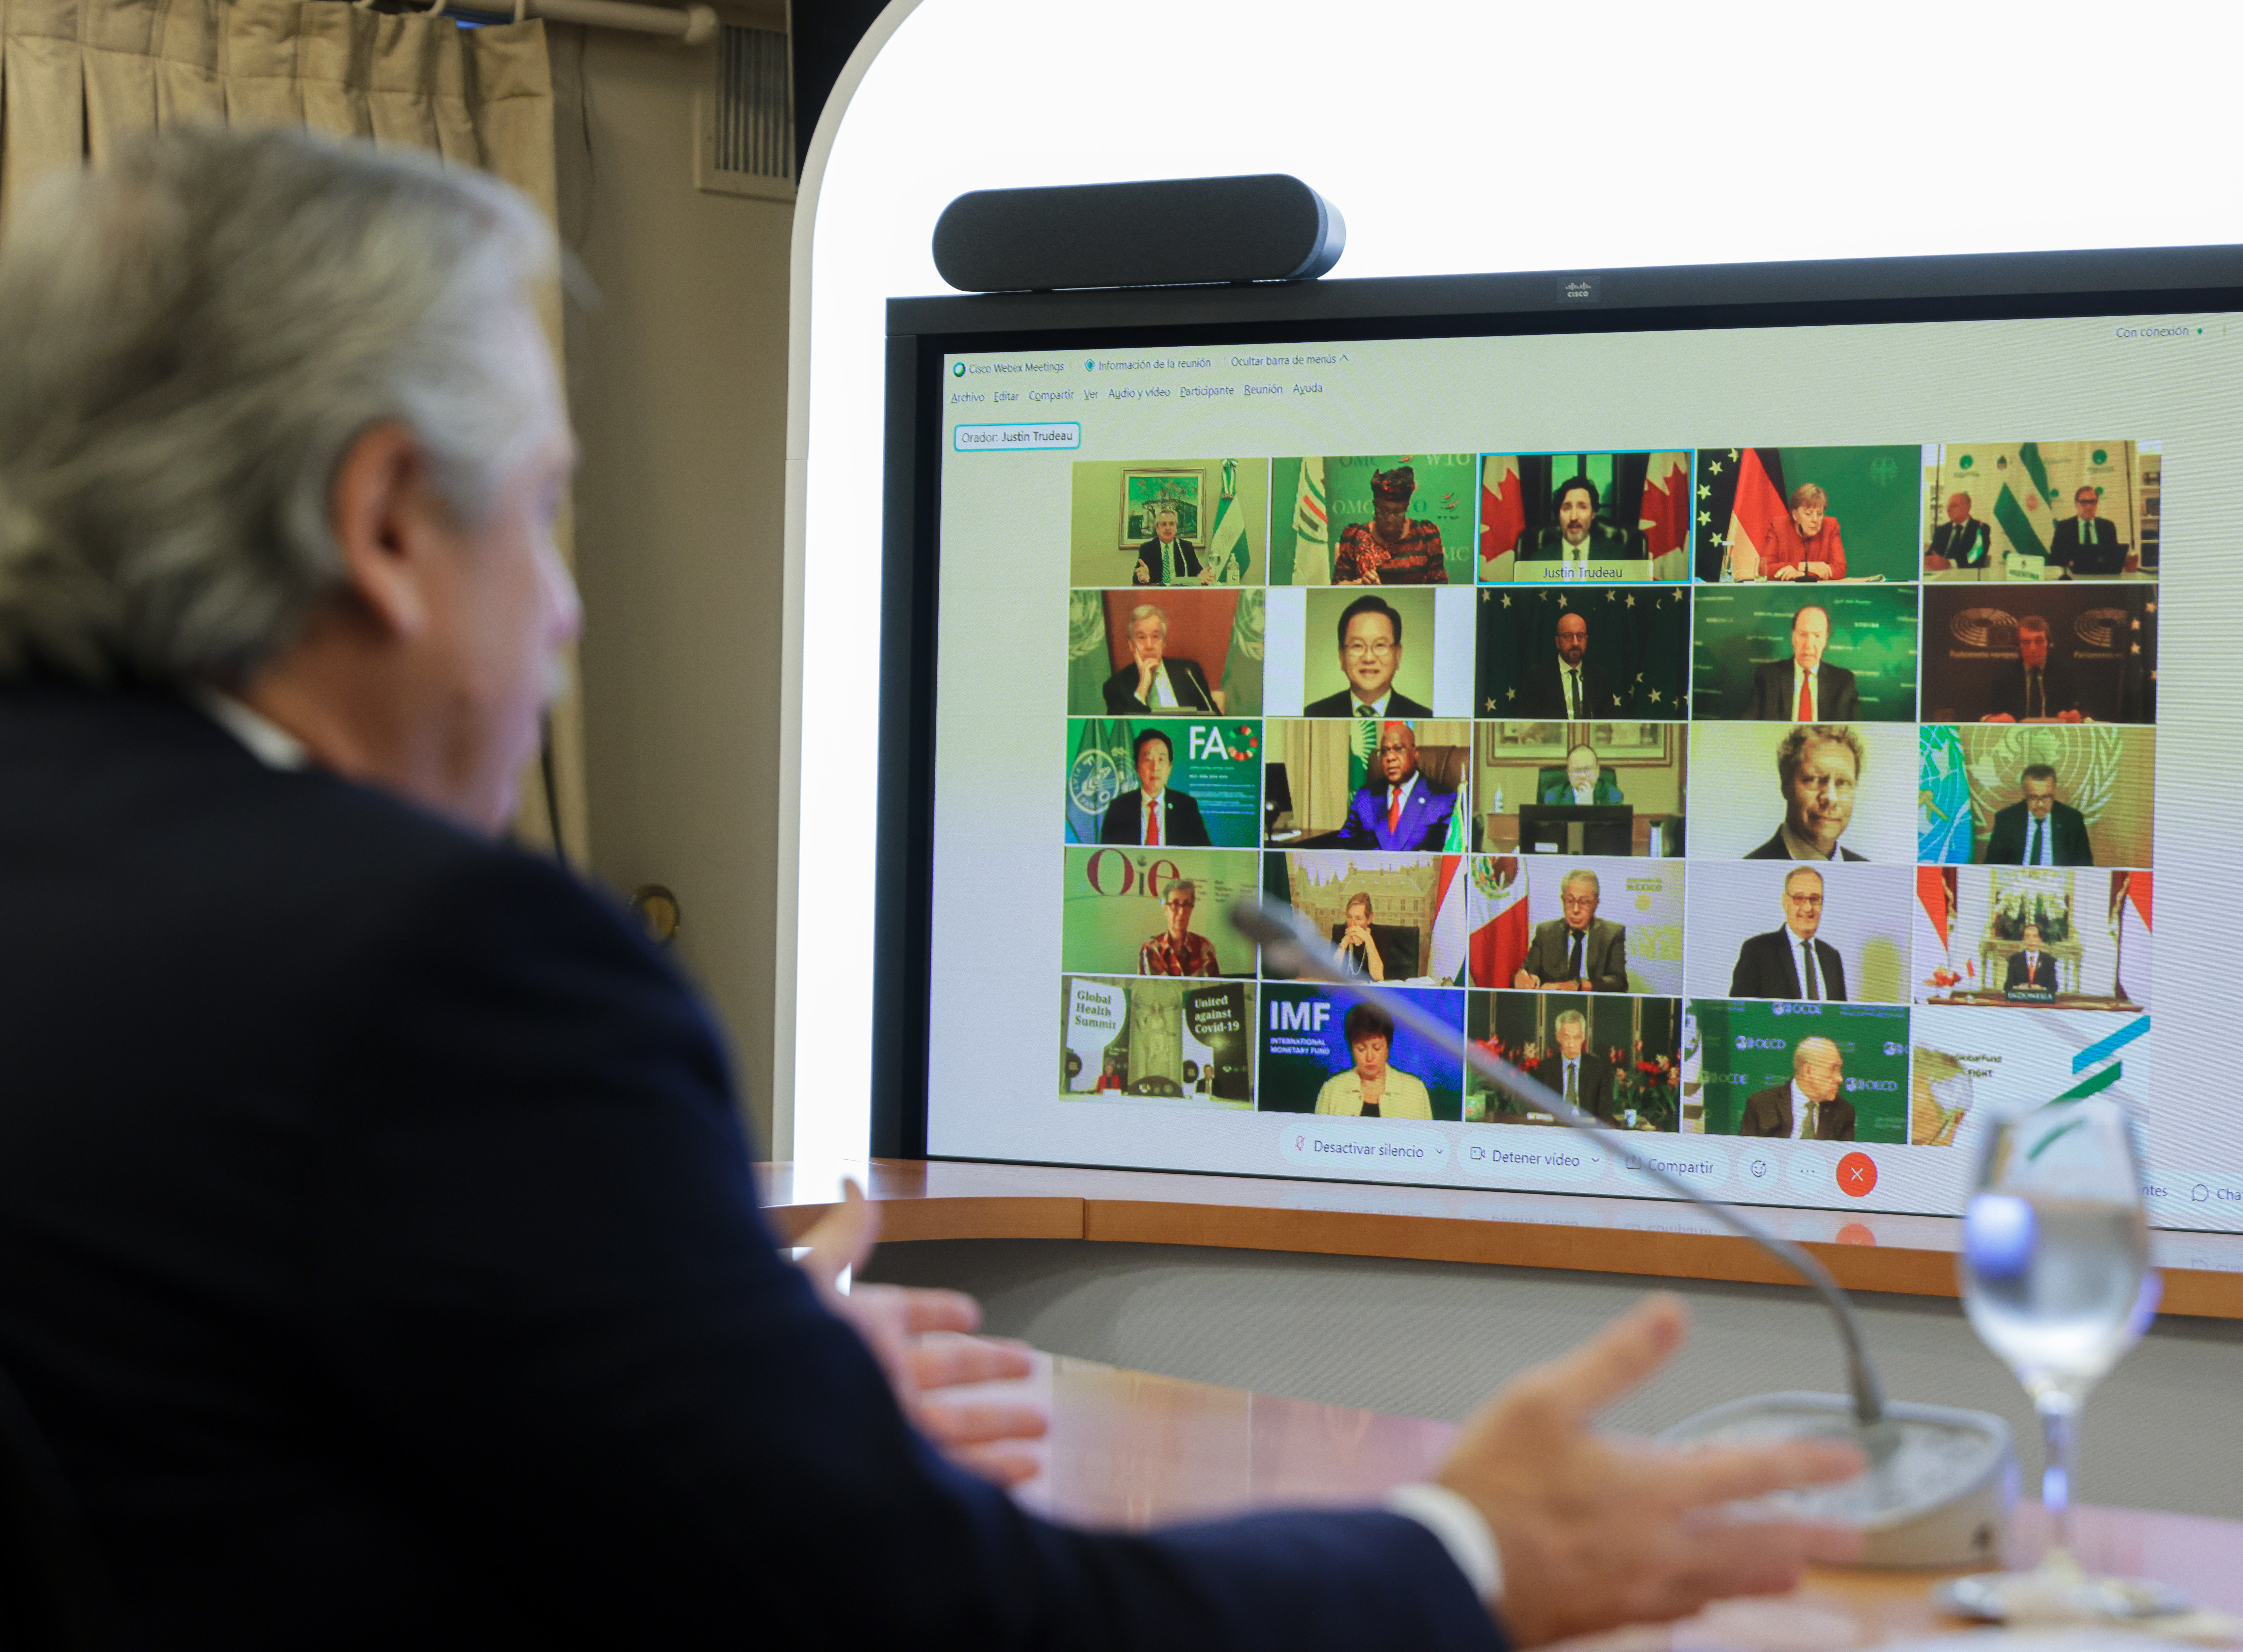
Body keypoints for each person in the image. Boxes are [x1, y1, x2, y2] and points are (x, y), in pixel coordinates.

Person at [0, 125, 1867, 1651]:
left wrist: (728, 1393)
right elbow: (965, 1634)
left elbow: (225, 1446)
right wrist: (1467, 1548)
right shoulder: (437, 965)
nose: (567, 614)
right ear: (391, 524)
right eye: (549, 516)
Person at [1746, 725, 1868, 861]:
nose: (1831, 798)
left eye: (1843, 783)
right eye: (1814, 780)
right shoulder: (1746, 873)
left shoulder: (1870, 875)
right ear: (1786, 785)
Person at [1304, 593, 1433, 718]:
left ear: (1398, 655)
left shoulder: (1424, 716)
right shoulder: (1313, 714)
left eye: (1380, 646)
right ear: (1342, 656)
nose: (1369, 658)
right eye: (1358, 646)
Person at [1728, 868, 1846, 1001]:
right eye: (1799, 899)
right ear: (1785, 902)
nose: (1808, 908)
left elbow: (1841, 1016)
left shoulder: (1832, 957)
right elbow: (1738, 1011)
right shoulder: (1758, 950)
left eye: (1815, 899)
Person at [1341, 719, 1457, 851]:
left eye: (1398, 749)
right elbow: (1344, 845)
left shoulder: (1443, 799)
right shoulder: (1366, 796)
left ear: (1415, 753)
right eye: (1385, 751)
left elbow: (1450, 854)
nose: (1390, 757)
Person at [1312, 1002, 1435, 1119]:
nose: (1370, 1058)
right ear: (1351, 1049)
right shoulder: (1332, 1090)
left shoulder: (1414, 1091)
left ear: (1388, 1047)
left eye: (1377, 1048)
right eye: (1361, 1049)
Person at [1514, 869, 1627, 993]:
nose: (1576, 910)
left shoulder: (1611, 934)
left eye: (1584, 902)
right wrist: (1522, 977)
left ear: (1596, 904)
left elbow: (1618, 982)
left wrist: (1577, 986)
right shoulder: (1546, 933)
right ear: (1563, 900)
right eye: (1570, 901)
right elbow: (1529, 972)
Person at [1332, 465, 1447, 584]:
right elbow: (1337, 588)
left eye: (1397, 512)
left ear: (1406, 508)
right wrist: (1361, 584)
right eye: (1384, 511)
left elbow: (1441, 587)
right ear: (1375, 506)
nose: (1390, 519)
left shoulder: (1425, 535)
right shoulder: (1355, 536)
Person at [1101, 727, 1211, 846]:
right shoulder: (1119, 808)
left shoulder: (1186, 807)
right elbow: (1108, 856)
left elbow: (1205, 854)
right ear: (1136, 768)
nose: (1155, 768)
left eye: (1161, 760)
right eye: (1148, 760)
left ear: (1170, 768)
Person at [1745, 604, 1858, 721]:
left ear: (1825, 640)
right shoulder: (1768, 677)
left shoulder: (1844, 682)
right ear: (1793, 638)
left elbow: (1854, 732)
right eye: (1803, 635)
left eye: (1817, 636)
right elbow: (1752, 727)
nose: (1809, 645)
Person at [1103, 603, 1218, 713]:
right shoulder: (1116, 686)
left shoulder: (1189, 672)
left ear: (1164, 643)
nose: (1149, 646)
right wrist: (1143, 686)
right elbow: (1122, 730)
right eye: (1141, 637)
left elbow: (1216, 719)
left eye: (1156, 637)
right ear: (1132, 645)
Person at [1515, 474, 1639, 571]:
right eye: (1567, 508)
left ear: (1593, 514)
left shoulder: (1617, 556)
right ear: (1559, 514)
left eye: (1582, 507)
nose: (1574, 517)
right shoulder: (1539, 560)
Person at [1741, 1038, 1856, 1141]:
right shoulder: (1763, 1105)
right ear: (1808, 1071)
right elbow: (1747, 1153)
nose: (1840, 1079)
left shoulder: (1844, 1112)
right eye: (1832, 1069)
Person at [1511, 611, 1620, 718]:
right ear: (1558, 642)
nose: (1575, 643)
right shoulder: (1538, 677)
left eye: (1580, 636)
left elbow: (1609, 722)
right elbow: (1526, 722)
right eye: (1568, 636)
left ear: (1586, 640)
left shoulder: (1598, 676)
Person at [1983, 763, 2094, 866]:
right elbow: (1992, 865)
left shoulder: (2072, 820)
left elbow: (2085, 867)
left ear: (2054, 790)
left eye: (2046, 797)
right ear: (2024, 791)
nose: (2040, 804)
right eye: (2033, 798)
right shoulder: (2007, 819)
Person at [1982, 615, 2081, 724]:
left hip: (2056, 737)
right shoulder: (2004, 676)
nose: (2033, 648)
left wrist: (2073, 717)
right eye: (2026, 642)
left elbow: (2083, 714)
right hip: (2013, 738)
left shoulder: (2065, 675)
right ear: (2019, 646)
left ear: (2048, 643)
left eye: (2039, 642)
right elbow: (1985, 714)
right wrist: (1993, 719)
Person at [1759, 483, 1846, 581]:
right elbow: (1764, 569)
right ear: (1795, 514)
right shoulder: (1779, 527)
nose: (1815, 520)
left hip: (1820, 594)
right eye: (1808, 514)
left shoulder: (1830, 526)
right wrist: (1801, 566)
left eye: (1820, 514)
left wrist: (1804, 574)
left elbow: (1840, 569)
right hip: (1784, 595)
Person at [1138, 878, 1224, 977]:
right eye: (1175, 904)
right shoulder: (1150, 950)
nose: (1182, 912)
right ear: (1165, 909)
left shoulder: (1205, 948)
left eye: (1187, 904)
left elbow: (1213, 990)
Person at [1544, 1010, 1617, 1124]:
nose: (1572, 1044)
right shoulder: (1546, 1068)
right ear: (1558, 1037)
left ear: (1583, 1037)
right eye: (1567, 1038)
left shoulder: (1599, 1068)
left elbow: (1605, 1112)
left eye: (1577, 1037)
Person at [2047, 486, 2130, 578]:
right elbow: (2054, 558)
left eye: (2093, 502)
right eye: (2084, 502)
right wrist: (2070, 563)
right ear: (2076, 504)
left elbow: (2113, 557)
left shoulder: (2108, 527)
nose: (2089, 507)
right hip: (2074, 578)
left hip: (2103, 578)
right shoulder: (2065, 527)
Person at [1133, 498, 1204, 585]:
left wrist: (1201, 575)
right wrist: (1142, 578)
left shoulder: (1186, 547)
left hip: (1180, 593)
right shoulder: (1147, 548)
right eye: (1164, 524)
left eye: (1172, 524)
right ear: (1157, 528)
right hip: (1157, 594)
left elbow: (1197, 571)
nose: (1168, 528)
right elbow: (1137, 577)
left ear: (1176, 528)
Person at [1924, 491, 1991, 572]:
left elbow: (1975, 557)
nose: (1948, 510)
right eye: (1948, 507)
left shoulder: (1981, 529)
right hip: (1940, 576)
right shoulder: (1941, 530)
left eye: (1954, 506)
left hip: (1966, 577)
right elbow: (1932, 553)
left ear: (1967, 508)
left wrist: (1949, 564)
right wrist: (1928, 560)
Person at [1540, 743, 1624, 805]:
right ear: (1569, 773)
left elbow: (1610, 828)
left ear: (1598, 771)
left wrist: (1589, 806)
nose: (1583, 776)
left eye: (1588, 770)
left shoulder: (1613, 795)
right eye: (1577, 770)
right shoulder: (1553, 796)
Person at [1334, 891, 1387, 980]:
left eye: (1359, 919)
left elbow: (1378, 977)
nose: (1352, 924)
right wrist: (1345, 942)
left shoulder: (1380, 935)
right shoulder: (1340, 932)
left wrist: (1368, 939)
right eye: (1350, 917)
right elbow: (1331, 972)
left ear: (1370, 919)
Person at [2006, 922, 2061, 992]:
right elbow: (2008, 986)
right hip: (2020, 1000)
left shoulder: (2049, 960)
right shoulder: (2015, 960)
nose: (2031, 940)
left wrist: (2041, 989)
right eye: (2028, 937)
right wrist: (2019, 988)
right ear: (2024, 940)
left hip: (2041, 1001)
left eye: (2035, 936)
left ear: (2040, 939)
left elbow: (2053, 986)